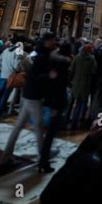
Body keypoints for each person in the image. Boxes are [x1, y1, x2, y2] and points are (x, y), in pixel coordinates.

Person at [0, 32, 56, 170]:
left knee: (19, 126)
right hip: (34, 95)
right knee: (38, 127)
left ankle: (6, 157)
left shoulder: (35, 53)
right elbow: (35, 74)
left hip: (28, 93)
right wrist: (49, 76)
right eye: (53, 40)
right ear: (47, 41)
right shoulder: (42, 55)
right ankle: (43, 159)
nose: (55, 42)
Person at [38, 42, 71, 173]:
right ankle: (44, 160)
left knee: (49, 132)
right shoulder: (63, 65)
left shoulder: (52, 61)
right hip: (56, 102)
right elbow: (59, 85)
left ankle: (44, 156)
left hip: (49, 100)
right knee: (51, 133)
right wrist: (56, 106)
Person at [67, 42, 97, 130]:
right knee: (80, 104)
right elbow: (94, 71)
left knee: (71, 103)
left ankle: (66, 121)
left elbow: (71, 69)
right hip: (86, 83)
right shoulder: (92, 59)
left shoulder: (77, 57)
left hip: (75, 82)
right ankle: (75, 123)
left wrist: (70, 80)